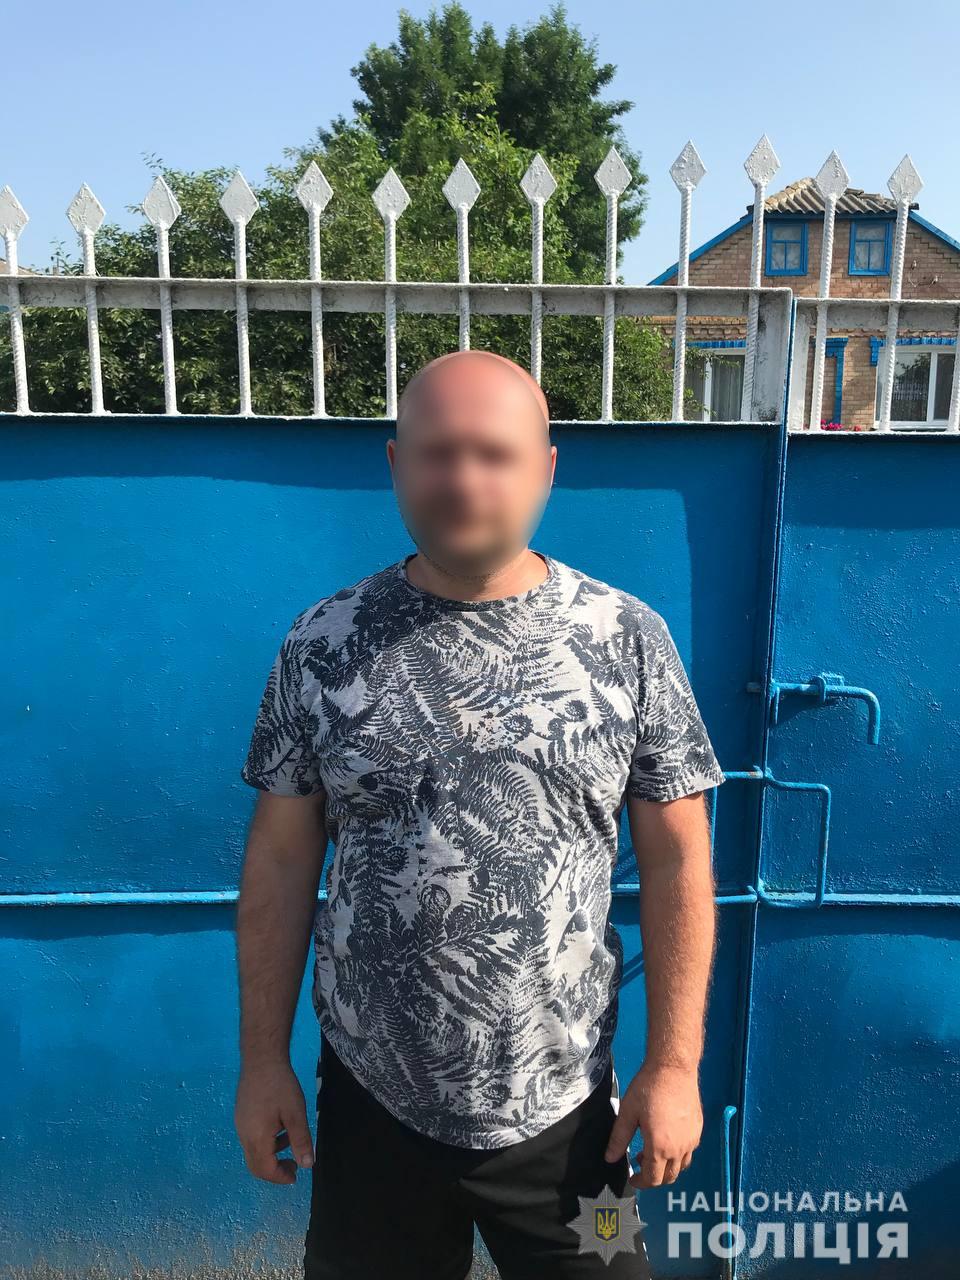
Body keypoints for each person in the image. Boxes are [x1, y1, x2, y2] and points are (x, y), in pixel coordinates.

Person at [233, 350, 726, 1280]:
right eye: (438, 453)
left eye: (494, 454)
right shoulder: (323, 644)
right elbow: (281, 864)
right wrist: (263, 1064)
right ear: (396, 464)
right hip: (372, 1105)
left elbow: (678, 861)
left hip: (572, 1120)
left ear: (545, 469)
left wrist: (673, 1068)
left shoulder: (627, 640)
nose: (463, 480)